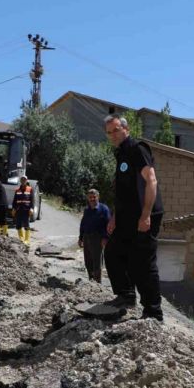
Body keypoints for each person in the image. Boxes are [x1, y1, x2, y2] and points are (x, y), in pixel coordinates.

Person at [103, 114, 164, 321]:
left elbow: (151, 181)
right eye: (109, 132)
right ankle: (126, 295)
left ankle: (153, 313)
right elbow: (122, 190)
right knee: (113, 253)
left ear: (126, 129)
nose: (113, 135)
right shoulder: (121, 153)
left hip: (144, 215)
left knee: (143, 263)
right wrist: (114, 216)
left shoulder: (138, 148)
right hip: (126, 216)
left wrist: (146, 215)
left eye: (116, 130)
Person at [78, 189, 111, 283]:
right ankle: (91, 280)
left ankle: (97, 282)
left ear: (98, 197)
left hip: (98, 238)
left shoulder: (104, 209)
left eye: (94, 197)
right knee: (88, 261)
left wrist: (105, 238)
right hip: (87, 237)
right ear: (88, 198)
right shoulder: (87, 210)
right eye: (90, 197)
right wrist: (80, 238)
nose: (92, 199)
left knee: (97, 262)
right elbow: (83, 224)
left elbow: (108, 224)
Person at [11, 176, 33, 245]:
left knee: (26, 225)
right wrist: (13, 208)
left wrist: (31, 208)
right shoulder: (17, 190)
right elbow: (14, 201)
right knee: (18, 225)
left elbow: (32, 200)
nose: (23, 181)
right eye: (22, 179)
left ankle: (27, 240)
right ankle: (21, 239)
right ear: (20, 181)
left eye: (24, 180)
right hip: (18, 210)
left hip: (26, 210)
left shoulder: (30, 189)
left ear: (26, 181)